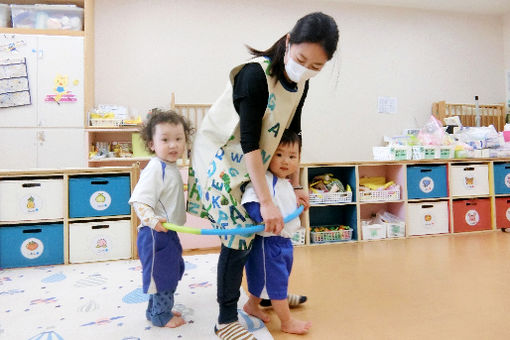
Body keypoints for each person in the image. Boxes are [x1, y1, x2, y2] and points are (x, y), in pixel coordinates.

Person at [187, 12, 339, 339]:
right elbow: (249, 142)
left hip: (254, 160)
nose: (305, 70)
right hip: (221, 160)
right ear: (287, 41)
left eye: (316, 67)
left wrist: (297, 184)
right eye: (300, 59)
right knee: (240, 235)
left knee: (265, 234)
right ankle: (226, 318)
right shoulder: (254, 76)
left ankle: (262, 297)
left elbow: (292, 135)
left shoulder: (301, 85)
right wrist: (268, 201)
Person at [129, 109, 194, 328]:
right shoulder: (156, 168)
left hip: (168, 231)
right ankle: (160, 315)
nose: (173, 145)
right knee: (163, 274)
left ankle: (156, 309)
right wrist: (153, 221)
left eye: (179, 139)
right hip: (155, 233)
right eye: (165, 140)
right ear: (152, 144)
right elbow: (139, 201)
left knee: (173, 270)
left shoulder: (170, 166)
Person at [242, 130, 311, 334]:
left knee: (272, 278)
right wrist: (260, 216)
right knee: (276, 283)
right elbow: (251, 201)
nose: (285, 161)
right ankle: (287, 321)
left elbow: (287, 207)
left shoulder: (286, 183)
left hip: (284, 243)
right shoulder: (265, 180)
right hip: (268, 243)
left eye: (292, 156)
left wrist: (299, 206)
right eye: (279, 154)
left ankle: (252, 305)